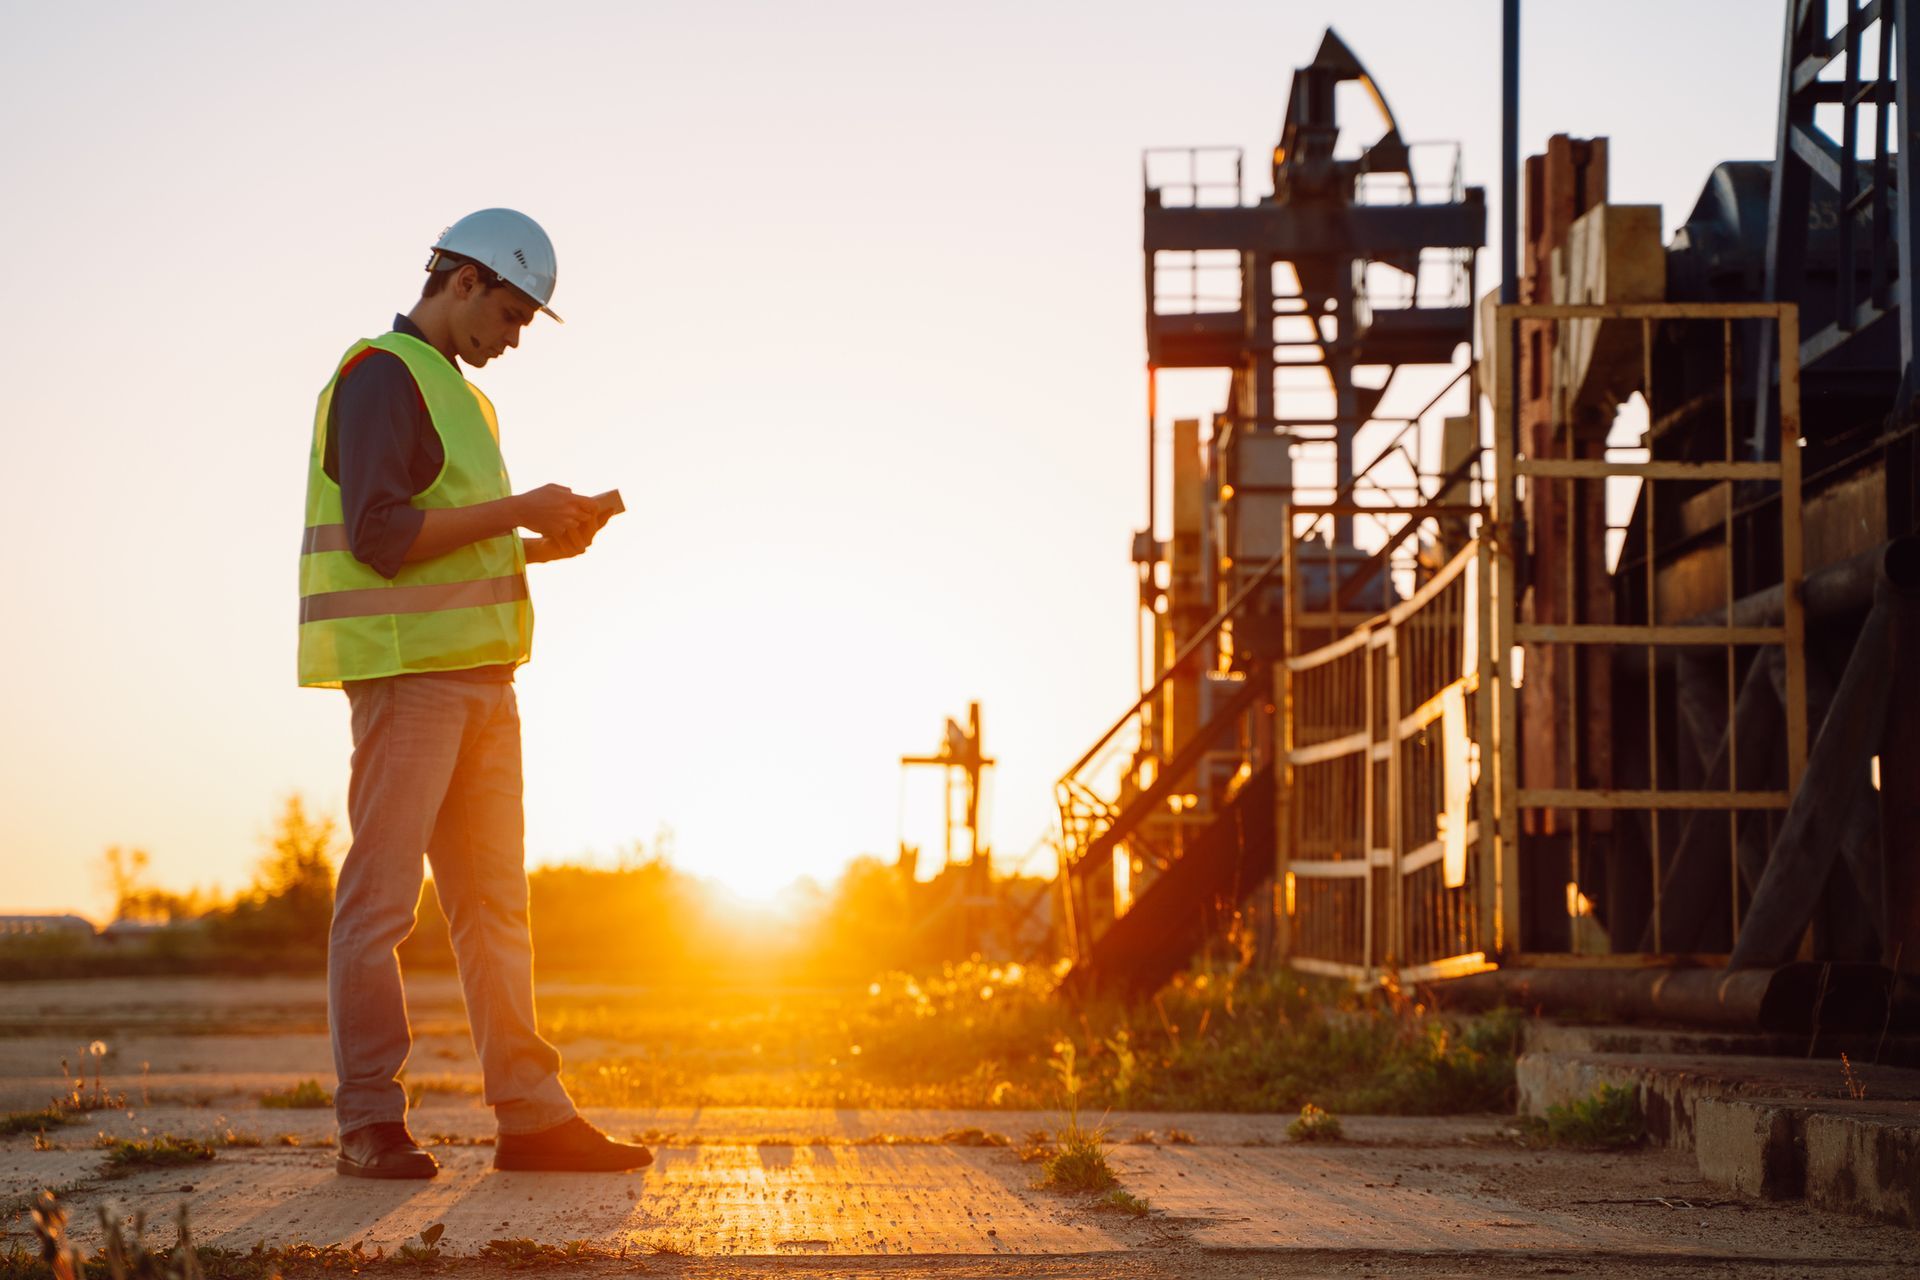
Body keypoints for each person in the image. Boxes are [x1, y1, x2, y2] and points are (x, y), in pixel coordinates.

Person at [298, 209, 652, 1178]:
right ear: (461, 283)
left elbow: (450, 538)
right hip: (412, 680)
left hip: (484, 683)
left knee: (497, 908)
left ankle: (531, 1116)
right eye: (508, 314)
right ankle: (371, 1122)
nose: (513, 338)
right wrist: (521, 506)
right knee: (380, 907)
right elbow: (380, 535)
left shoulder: (463, 399)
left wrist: (544, 540)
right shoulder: (381, 374)